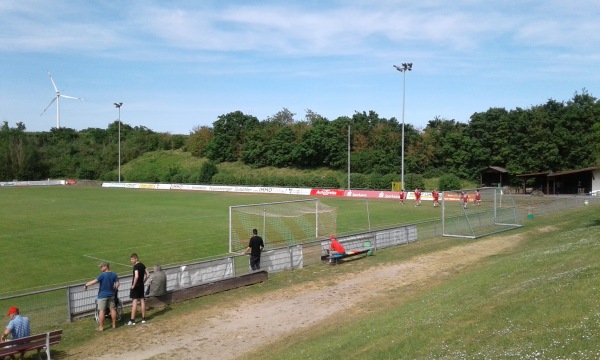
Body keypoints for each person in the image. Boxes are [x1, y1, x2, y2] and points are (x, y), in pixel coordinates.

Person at [85, 262, 120, 331]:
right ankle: (114, 324)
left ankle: (101, 327)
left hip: (102, 296)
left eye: (101, 267)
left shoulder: (102, 275)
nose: (100, 268)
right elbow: (117, 283)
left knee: (102, 311)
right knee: (112, 309)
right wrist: (115, 289)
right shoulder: (114, 274)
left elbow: (93, 282)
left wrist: (86, 285)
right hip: (111, 295)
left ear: (106, 267)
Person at [128, 253, 149, 325]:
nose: (131, 261)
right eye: (131, 259)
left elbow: (136, 276)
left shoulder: (136, 267)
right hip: (141, 286)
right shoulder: (143, 265)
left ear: (136, 258)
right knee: (142, 300)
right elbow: (148, 274)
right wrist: (143, 281)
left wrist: (133, 285)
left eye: (132, 259)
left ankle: (132, 320)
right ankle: (143, 318)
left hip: (136, 286)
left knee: (134, 302)